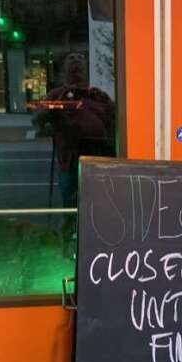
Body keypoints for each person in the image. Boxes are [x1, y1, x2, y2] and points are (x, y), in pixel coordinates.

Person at [31, 52, 115, 254]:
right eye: (71, 58)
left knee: (97, 207)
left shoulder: (95, 94)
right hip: (69, 161)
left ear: (86, 69)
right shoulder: (56, 94)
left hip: (98, 161)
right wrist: (59, 102)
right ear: (63, 70)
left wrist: (105, 103)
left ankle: (96, 247)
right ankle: (68, 248)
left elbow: (116, 118)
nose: (77, 60)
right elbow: (37, 120)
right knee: (70, 207)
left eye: (80, 58)